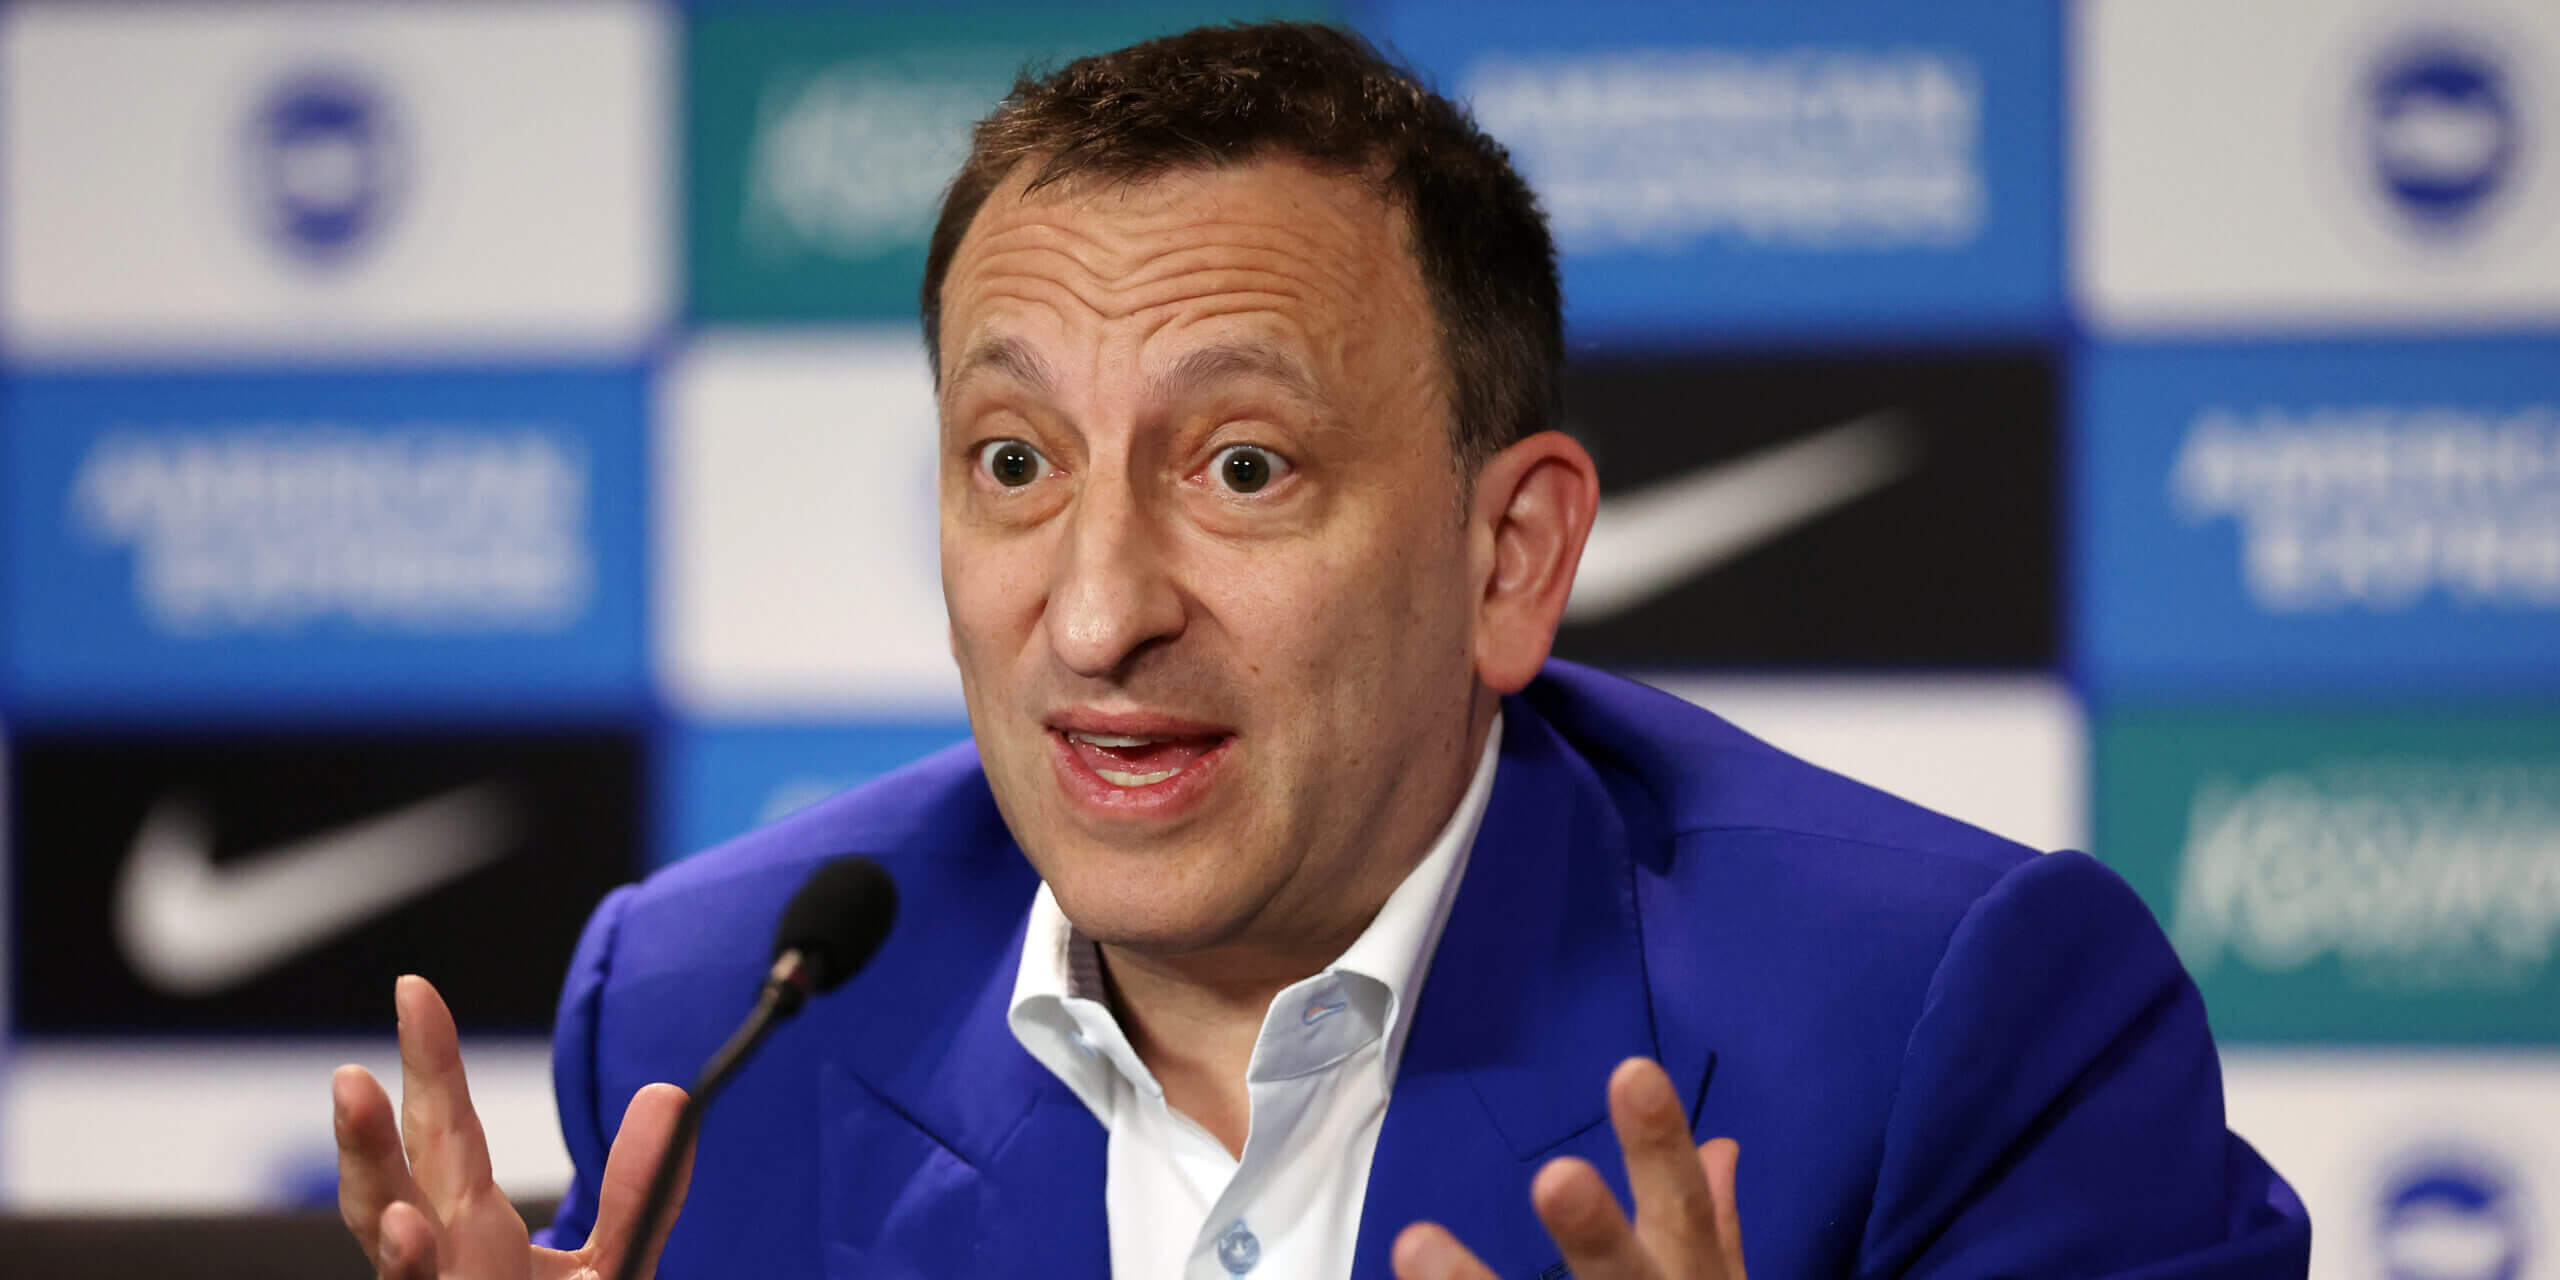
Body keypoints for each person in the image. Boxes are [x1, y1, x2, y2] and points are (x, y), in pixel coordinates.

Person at [330, 22, 2311, 1280]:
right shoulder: (711, 1020)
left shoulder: (1949, 1029)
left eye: (1243, 467)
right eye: (1014, 462)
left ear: (1508, 556)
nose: (1094, 612)